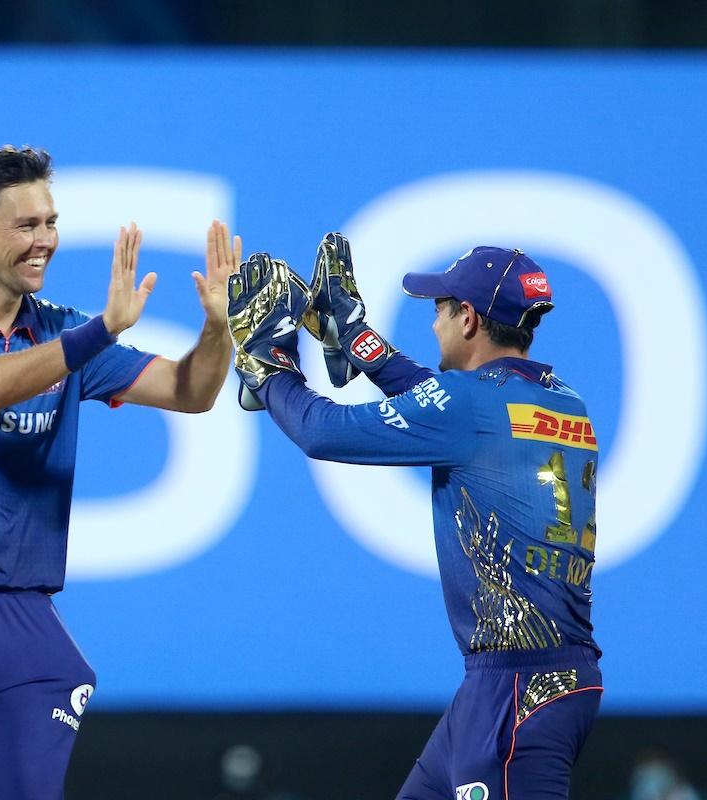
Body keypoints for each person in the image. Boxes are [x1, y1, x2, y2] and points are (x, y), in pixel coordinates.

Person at [0, 145, 239, 800]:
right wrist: (102, 332)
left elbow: (189, 391)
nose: (46, 241)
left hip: (24, 621)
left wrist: (219, 329)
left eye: (50, 222)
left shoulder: (62, 332)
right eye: (26, 226)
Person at [228, 235, 603, 800]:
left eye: (439, 309)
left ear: (469, 318)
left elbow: (320, 431)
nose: (433, 325)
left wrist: (272, 367)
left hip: (517, 690)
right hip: (530, 683)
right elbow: (441, 399)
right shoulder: (564, 400)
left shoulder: (467, 407)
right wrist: (352, 337)